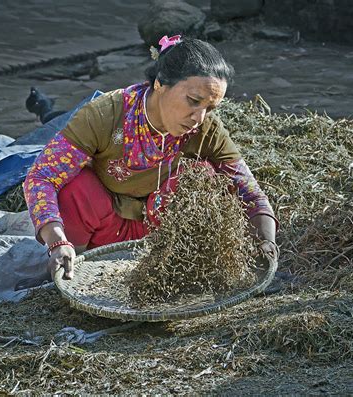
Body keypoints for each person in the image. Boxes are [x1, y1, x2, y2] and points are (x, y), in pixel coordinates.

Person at [23, 35, 279, 281]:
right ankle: (70, 267)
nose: (199, 118)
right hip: (103, 231)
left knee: (202, 176)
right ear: (160, 83)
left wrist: (266, 242)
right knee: (75, 187)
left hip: (167, 241)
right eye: (193, 101)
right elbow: (41, 176)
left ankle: (182, 269)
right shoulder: (105, 114)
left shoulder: (205, 129)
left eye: (210, 108)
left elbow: (250, 192)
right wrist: (57, 241)